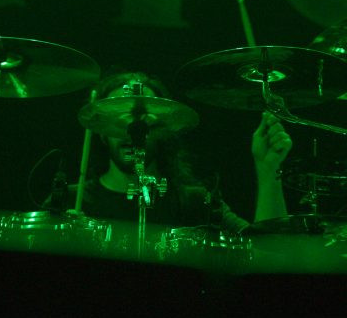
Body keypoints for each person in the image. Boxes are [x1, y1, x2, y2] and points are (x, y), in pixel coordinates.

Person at [45, 71, 293, 240]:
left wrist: (268, 170)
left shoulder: (194, 202)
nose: (132, 130)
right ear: (101, 131)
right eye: (119, 118)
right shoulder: (69, 201)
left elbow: (266, 250)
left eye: (144, 121)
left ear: (164, 129)